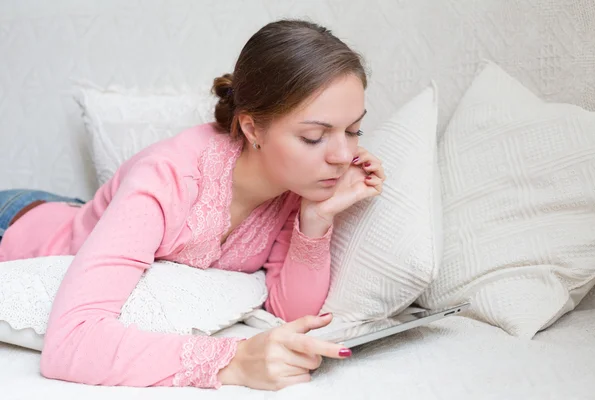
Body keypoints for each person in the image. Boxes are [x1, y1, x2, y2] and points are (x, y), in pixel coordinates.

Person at [0, 19, 385, 391]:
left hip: (78, 213)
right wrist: (231, 360)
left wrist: (316, 217)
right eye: (316, 136)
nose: (342, 155)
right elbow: (70, 345)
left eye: (354, 131)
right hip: (17, 224)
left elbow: (291, 315)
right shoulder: (168, 177)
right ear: (252, 129)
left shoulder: (294, 187)